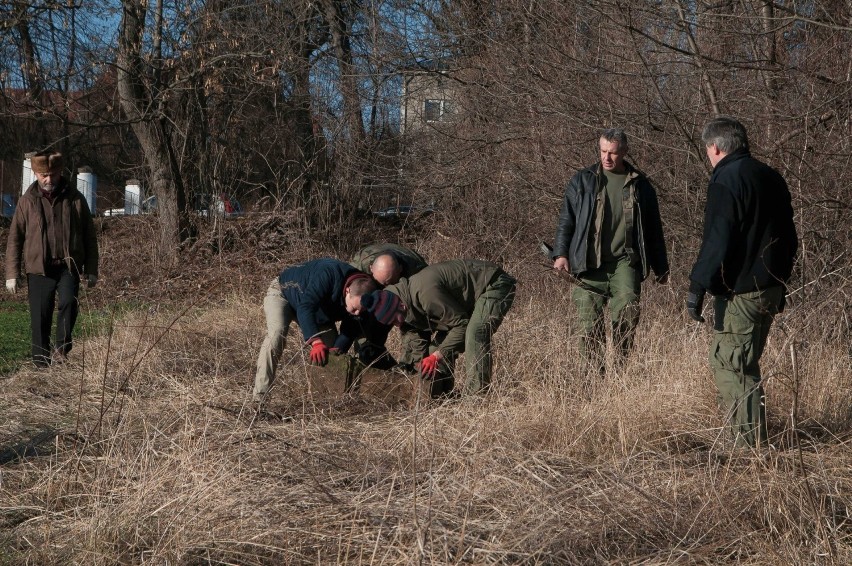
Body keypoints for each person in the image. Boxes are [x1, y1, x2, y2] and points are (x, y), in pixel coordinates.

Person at [686, 116, 798, 448]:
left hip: (742, 291)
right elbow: (789, 237)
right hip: (770, 287)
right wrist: (780, 279)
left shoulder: (727, 179)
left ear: (715, 147)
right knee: (743, 362)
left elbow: (718, 239)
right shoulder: (771, 177)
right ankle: (749, 442)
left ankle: (746, 449)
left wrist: (697, 285)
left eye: (708, 149)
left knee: (731, 364)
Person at [551, 128, 669, 374]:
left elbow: (653, 228)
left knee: (628, 315)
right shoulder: (582, 180)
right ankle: (593, 378)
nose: (607, 157)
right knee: (588, 326)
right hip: (587, 263)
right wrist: (561, 254)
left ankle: (620, 374)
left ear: (624, 152)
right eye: (603, 151)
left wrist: (661, 267)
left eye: (613, 153)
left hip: (625, 262)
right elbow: (566, 220)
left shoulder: (640, 184)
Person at [5, 151, 99, 367]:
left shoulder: (75, 198)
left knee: (68, 303)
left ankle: (61, 351)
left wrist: (91, 269)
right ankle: (40, 361)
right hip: (39, 268)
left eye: (53, 175)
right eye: (43, 175)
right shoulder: (26, 202)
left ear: (60, 172)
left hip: (68, 265)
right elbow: (15, 239)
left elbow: (89, 236)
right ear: (36, 174)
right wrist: (12, 274)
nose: (48, 180)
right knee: (41, 314)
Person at [372, 259, 516, 398]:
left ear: (401, 306)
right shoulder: (405, 298)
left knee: (475, 333)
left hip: (494, 284)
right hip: (467, 303)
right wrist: (428, 359)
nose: (397, 325)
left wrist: (437, 356)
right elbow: (446, 327)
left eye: (395, 320)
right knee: (435, 349)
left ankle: (476, 397)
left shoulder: (426, 295)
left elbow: (462, 325)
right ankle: (442, 396)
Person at [253, 258, 377, 402]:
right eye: (354, 308)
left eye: (359, 311)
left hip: (318, 313)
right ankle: (259, 398)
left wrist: (337, 348)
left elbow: (349, 330)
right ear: (348, 290)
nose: (355, 313)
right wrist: (315, 340)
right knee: (277, 335)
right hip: (283, 294)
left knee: (330, 353)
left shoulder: (366, 295)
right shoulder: (328, 273)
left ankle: (321, 400)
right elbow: (305, 306)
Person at [349, 243, 428, 369]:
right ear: (371, 269)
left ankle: (406, 374)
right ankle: (379, 371)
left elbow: (418, 325)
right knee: (367, 343)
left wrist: (415, 360)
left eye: (390, 283)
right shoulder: (359, 268)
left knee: (413, 337)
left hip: (407, 295)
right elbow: (350, 304)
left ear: (400, 269)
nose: (386, 287)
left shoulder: (417, 273)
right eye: (382, 284)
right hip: (371, 293)